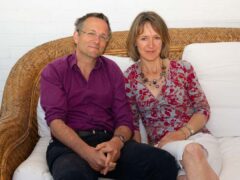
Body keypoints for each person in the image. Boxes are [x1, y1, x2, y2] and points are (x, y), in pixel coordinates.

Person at [40, 12, 178, 180]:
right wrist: (88, 154)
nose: (97, 40)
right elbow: (55, 122)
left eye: (103, 36)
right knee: (72, 176)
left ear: (106, 43)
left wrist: (116, 144)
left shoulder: (112, 70)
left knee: (164, 162)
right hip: (70, 147)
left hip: (109, 142)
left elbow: (125, 120)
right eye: (91, 33)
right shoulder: (54, 70)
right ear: (76, 36)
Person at [124, 11, 222, 180]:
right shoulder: (128, 79)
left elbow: (202, 109)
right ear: (135, 41)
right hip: (165, 148)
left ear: (163, 41)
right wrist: (140, 155)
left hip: (199, 139)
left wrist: (183, 133)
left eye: (156, 37)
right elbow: (132, 124)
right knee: (189, 157)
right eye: (144, 38)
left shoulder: (183, 69)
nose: (151, 45)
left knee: (193, 151)